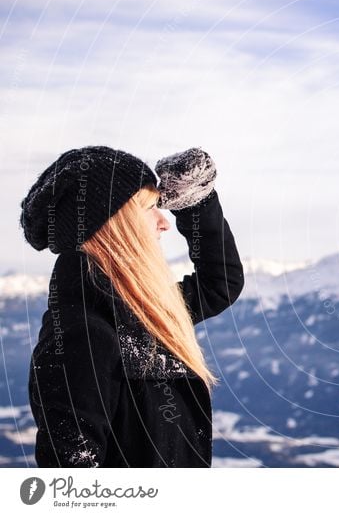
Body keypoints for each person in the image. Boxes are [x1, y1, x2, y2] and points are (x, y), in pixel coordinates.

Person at [19, 146, 245, 467]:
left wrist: (196, 203)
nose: (164, 222)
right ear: (115, 223)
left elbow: (220, 285)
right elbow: (71, 485)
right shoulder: (82, 335)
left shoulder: (138, 310)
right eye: (150, 207)